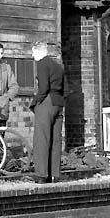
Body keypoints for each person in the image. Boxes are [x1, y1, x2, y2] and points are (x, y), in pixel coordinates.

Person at [31, 41, 65, 183]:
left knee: (42, 139)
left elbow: (43, 87)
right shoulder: (58, 65)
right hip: (59, 102)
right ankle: (54, 174)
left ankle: (41, 175)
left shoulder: (42, 64)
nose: (32, 56)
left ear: (38, 51)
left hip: (47, 102)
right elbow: (65, 88)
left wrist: (35, 102)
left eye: (32, 52)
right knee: (56, 140)